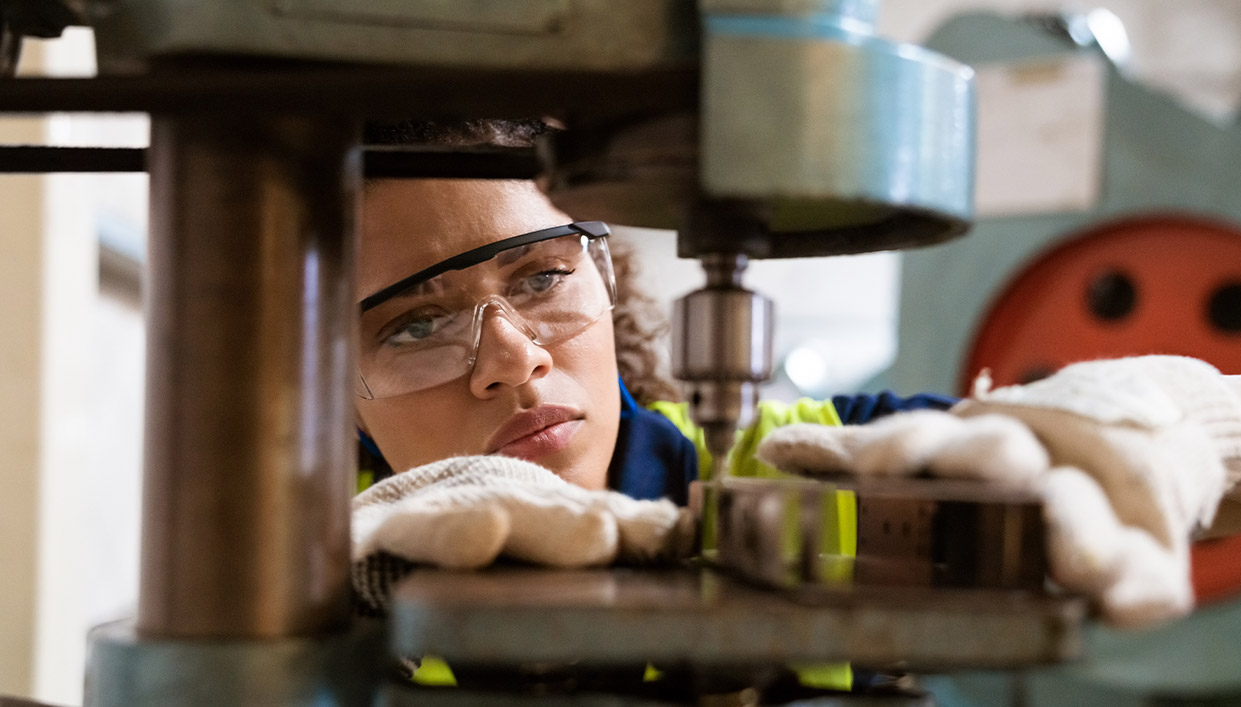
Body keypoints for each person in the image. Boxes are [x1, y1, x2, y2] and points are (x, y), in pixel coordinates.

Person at [349, 119, 1241, 672]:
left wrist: (1162, 421)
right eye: (412, 326)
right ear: (322, 390)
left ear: (606, 276)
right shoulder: (286, 574)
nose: (511, 358)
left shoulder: (813, 465)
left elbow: (1046, 445)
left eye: (542, 275)